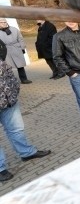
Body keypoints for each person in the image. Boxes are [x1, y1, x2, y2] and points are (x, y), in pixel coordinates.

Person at [0, 41, 50, 182]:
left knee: (17, 129)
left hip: (9, 101)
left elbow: (8, 73)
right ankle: (1, 168)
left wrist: (14, 90)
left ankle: (27, 153)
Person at [0, 19, 32, 84]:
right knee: (7, 67)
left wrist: (22, 48)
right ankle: (10, 81)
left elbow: (20, 39)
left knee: (20, 65)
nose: (4, 23)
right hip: (5, 51)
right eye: (2, 22)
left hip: (16, 49)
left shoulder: (14, 29)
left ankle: (24, 79)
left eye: (5, 22)